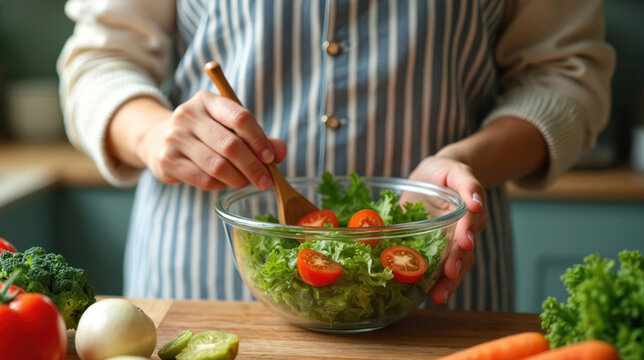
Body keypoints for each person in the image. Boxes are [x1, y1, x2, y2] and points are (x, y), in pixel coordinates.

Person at [57, 0, 614, 311]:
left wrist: (466, 161)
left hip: (438, 285)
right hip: (199, 284)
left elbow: (566, 77)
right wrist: (155, 135)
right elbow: (97, 62)